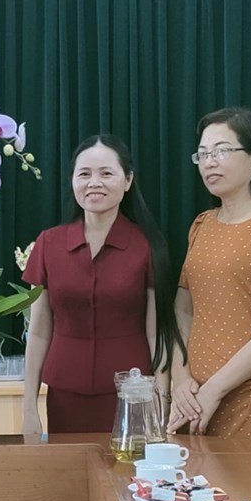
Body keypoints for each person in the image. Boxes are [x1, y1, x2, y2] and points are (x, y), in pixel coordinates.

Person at [21, 135, 185, 434]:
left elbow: (156, 333)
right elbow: (39, 332)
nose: (94, 183)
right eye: (84, 174)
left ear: (128, 180)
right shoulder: (48, 244)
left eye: (106, 173)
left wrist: (162, 400)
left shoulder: (148, 246)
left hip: (132, 394)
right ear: (72, 180)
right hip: (65, 394)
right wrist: (28, 406)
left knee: (128, 465)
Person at [167, 107, 251, 457]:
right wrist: (180, 378)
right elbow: (183, 309)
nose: (209, 163)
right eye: (202, 154)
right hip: (196, 402)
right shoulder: (202, 224)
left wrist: (214, 389)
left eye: (222, 151)